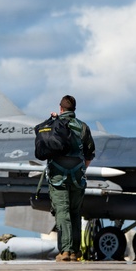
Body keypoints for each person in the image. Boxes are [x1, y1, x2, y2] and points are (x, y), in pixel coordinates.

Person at [47, 95, 95, 262]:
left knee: (63, 212)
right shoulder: (83, 127)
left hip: (58, 177)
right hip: (77, 177)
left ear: (61, 109)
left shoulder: (53, 124)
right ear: (74, 109)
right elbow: (90, 154)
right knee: (75, 213)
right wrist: (80, 169)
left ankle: (66, 251)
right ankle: (75, 251)